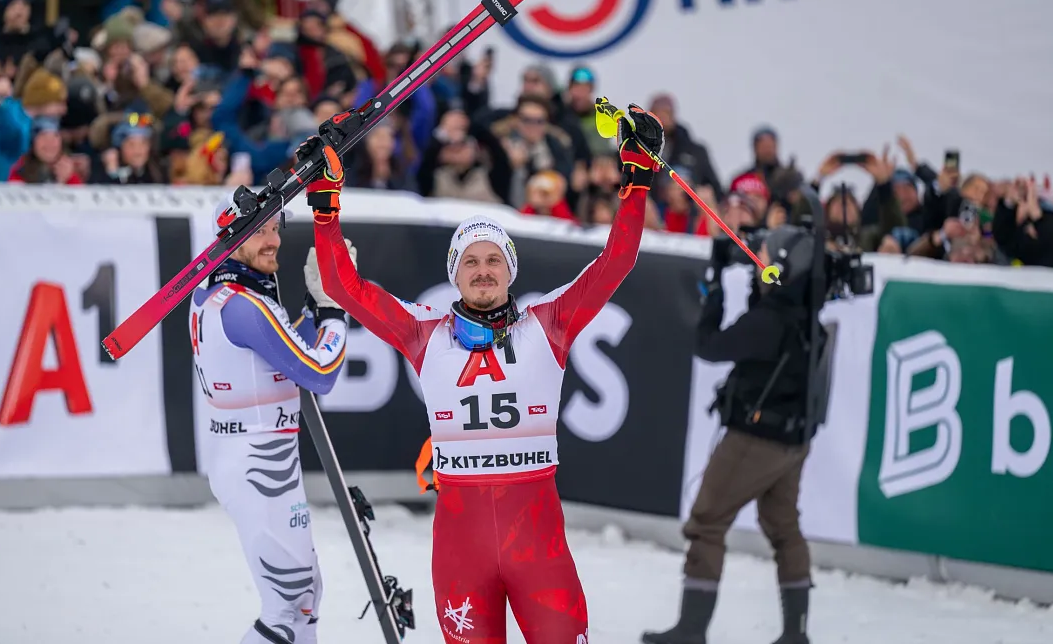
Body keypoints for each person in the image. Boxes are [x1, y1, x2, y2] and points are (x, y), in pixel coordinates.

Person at [307, 103, 665, 643]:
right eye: (470, 262)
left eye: (493, 260)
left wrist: (635, 179)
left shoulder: (550, 324)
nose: (482, 271)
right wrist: (326, 207)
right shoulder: (424, 332)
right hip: (461, 550)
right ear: (455, 275)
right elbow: (343, 288)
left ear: (509, 271)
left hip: (538, 549)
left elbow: (616, 259)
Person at [189, 191, 356, 644]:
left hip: (255, 456)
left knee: (304, 598)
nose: (272, 241)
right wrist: (334, 312)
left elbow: (283, 353)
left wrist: (312, 308)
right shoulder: (243, 304)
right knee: (289, 603)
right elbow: (319, 373)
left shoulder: (228, 294)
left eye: (273, 228)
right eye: (257, 231)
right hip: (260, 463)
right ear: (229, 239)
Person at [643, 226, 821, 644]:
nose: (757, 261)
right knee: (783, 527)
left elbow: (709, 345)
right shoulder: (801, 307)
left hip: (755, 439)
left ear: (782, 266)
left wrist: (715, 290)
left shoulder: (770, 321)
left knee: (706, 523)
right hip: (792, 440)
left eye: (763, 256)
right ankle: (796, 632)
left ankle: (691, 631)